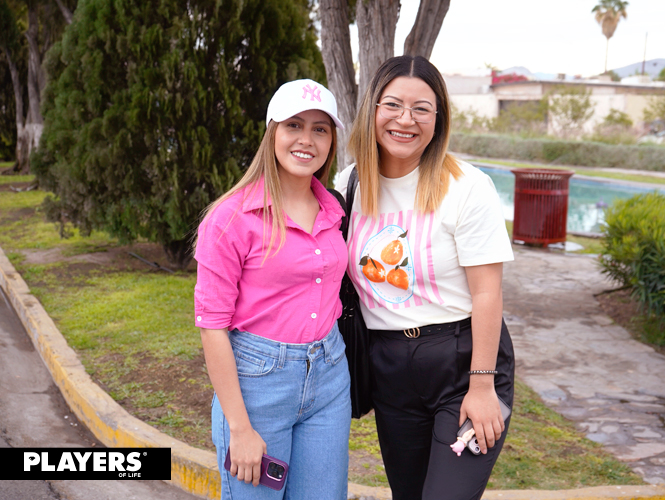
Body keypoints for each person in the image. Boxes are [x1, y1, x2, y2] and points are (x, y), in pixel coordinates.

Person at [335, 55, 515, 500]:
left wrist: (481, 384)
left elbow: (488, 292)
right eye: (393, 104)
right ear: (373, 109)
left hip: (462, 363)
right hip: (389, 368)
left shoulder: (466, 186)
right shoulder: (349, 186)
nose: (405, 119)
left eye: (421, 108)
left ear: (439, 118)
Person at [194, 79, 351, 500]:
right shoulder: (229, 218)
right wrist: (240, 428)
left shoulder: (334, 209)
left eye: (320, 129)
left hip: (330, 376)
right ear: (272, 133)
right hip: (258, 385)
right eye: (294, 125)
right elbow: (212, 327)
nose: (307, 140)